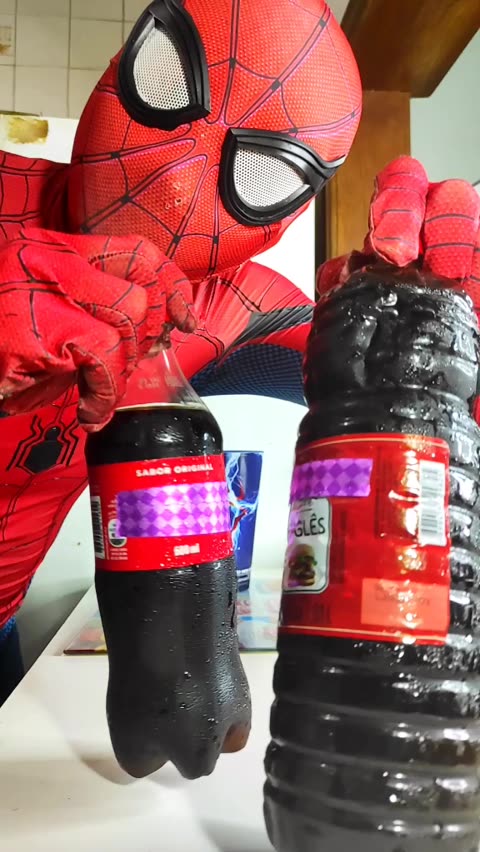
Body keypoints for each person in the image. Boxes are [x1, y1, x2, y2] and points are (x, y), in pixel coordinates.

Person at [0, 0, 478, 705]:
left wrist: (439, 328)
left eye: (261, 171)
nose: (176, 178)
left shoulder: (229, 304)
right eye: (170, 84)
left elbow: (402, 412)